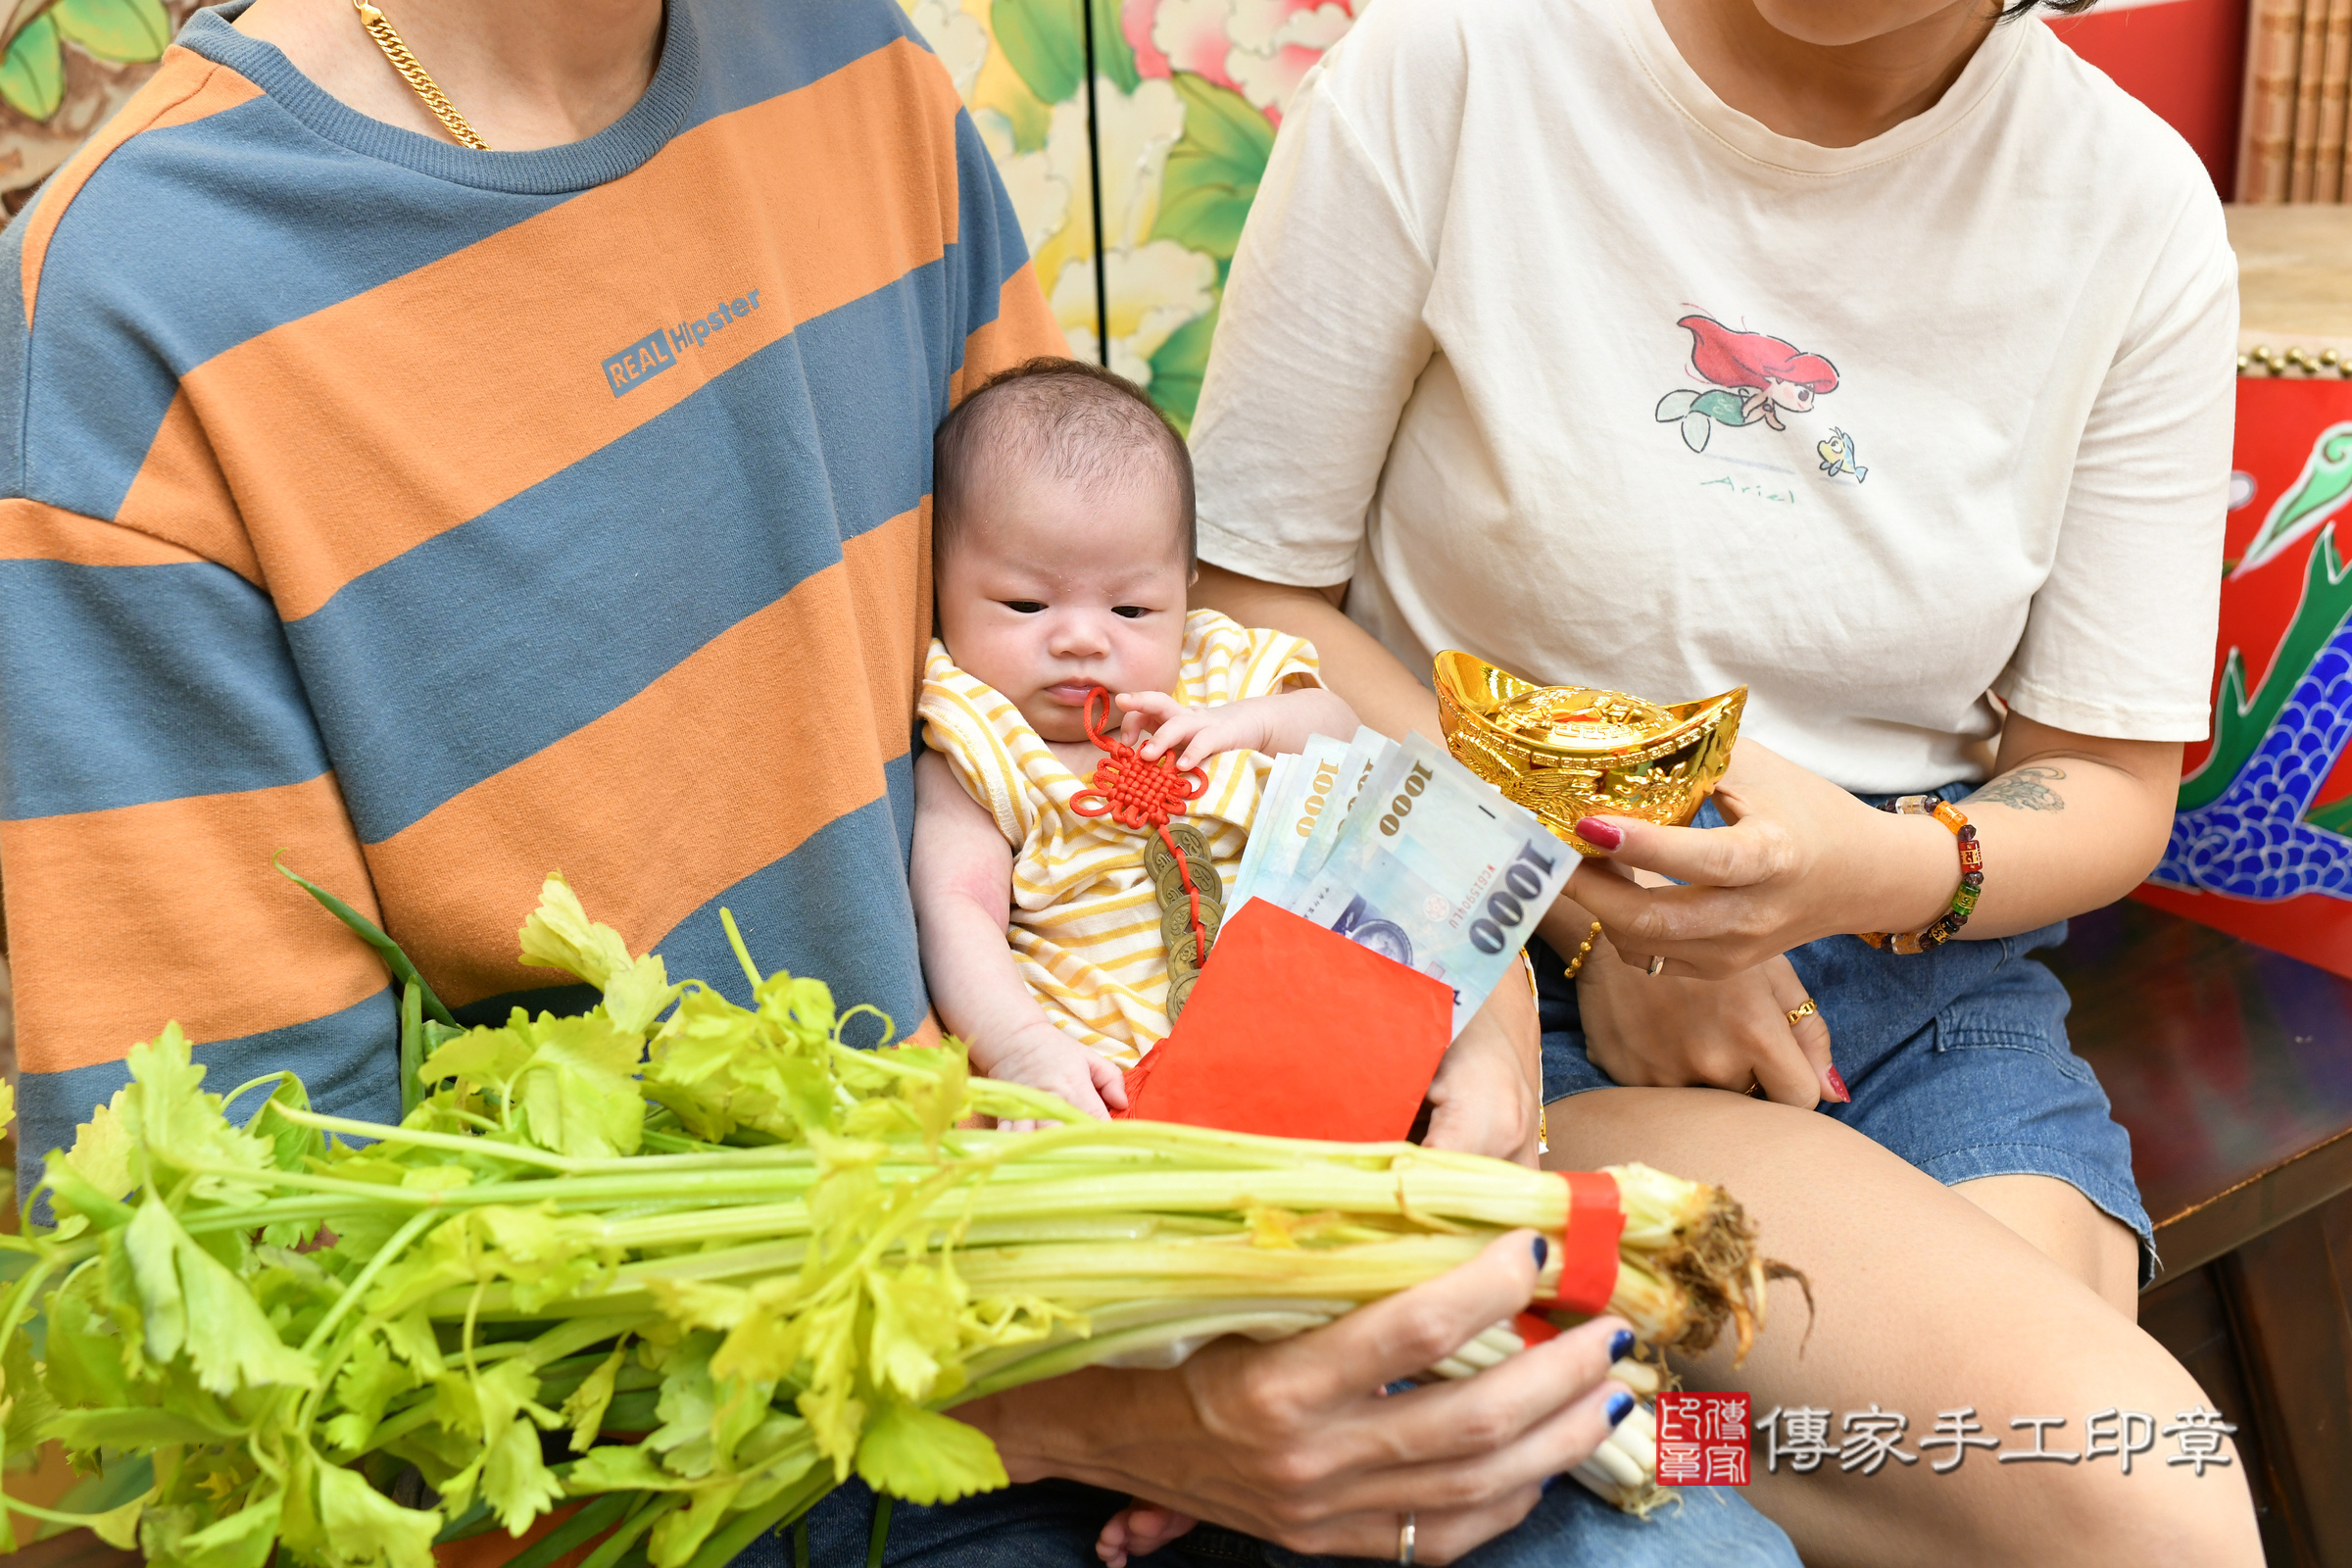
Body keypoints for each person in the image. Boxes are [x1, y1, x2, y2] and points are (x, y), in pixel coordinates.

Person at [0, 1, 1794, 1563]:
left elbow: (1112, 706)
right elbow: (249, 1280)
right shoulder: (142, 306)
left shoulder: (853, 68)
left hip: (1196, 1226)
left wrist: (1458, 1004)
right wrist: (1078, 1418)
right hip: (777, 1452)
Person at [1183, 0, 2264, 1558]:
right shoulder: (1455, 69)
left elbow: (2098, 783)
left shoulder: (2130, 207)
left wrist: (1852, 877)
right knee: (2133, 1500)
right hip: (1489, 960)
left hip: (1914, 976)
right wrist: (1587, 907)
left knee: (2064, 1496)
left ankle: (1608, 1426)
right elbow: (1243, 601)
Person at [910, 358, 1358, 1122]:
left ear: (1183, 584)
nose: (1083, 639)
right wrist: (1022, 1049)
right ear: (939, 580)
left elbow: (1347, 740)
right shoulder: (982, 738)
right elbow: (953, 905)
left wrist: (1246, 724)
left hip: (1313, 1044)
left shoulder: (1222, 673)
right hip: (1115, 1086)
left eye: (1131, 609)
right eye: (1025, 603)